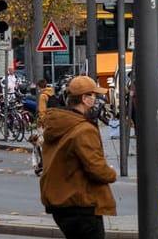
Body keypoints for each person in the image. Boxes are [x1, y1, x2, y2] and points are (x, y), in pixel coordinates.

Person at [39, 75, 116, 238]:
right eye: (94, 96)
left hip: (61, 203)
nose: (96, 101)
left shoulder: (58, 124)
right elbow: (96, 168)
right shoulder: (83, 130)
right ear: (84, 98)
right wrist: (111, 173)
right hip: (81, 203)